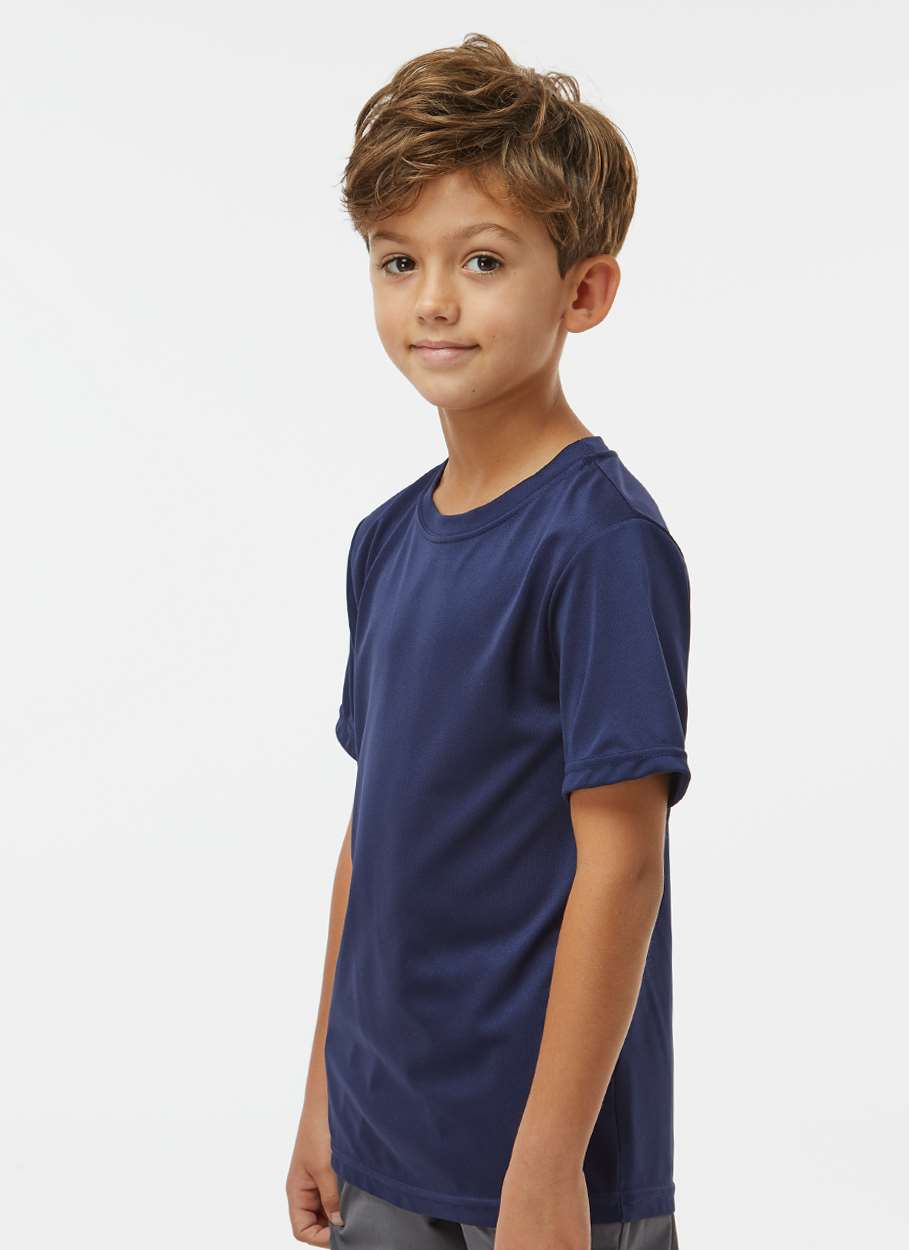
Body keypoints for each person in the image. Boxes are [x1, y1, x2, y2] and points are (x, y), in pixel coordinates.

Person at [286, 32, 691, 1250]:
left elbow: (622, 862)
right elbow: (373, 835)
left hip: (542, 1171)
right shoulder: (385, 541)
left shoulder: (599, 544)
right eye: (397, 259)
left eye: (481, 259)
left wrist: (548, 1165)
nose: (433, 300)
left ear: (583, 292)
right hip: (383, 1137)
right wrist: (322, 1096)